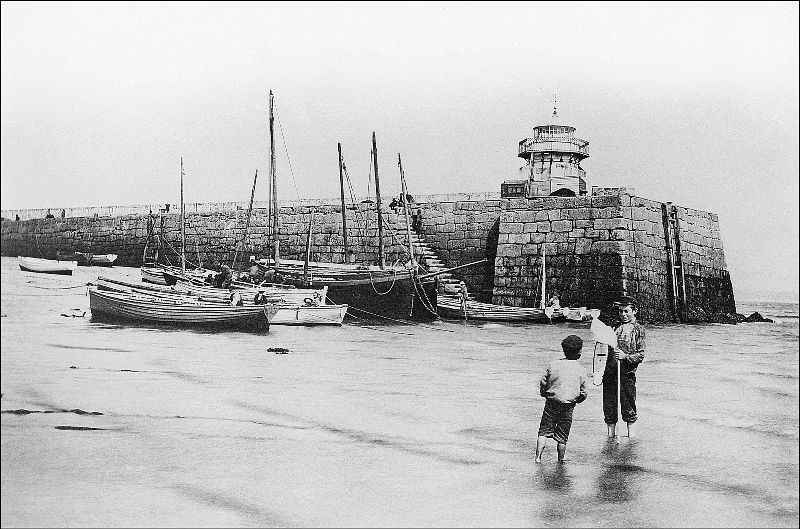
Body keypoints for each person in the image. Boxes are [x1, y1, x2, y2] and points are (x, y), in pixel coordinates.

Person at [535, 334, 588, 463]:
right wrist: (577, 400)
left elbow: (543, 382)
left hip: (552, 402)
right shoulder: (581, 370)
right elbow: (584, 392)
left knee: (543, 432)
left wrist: (544, 393)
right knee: (562, 436)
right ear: (579, 351)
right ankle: (561, 459)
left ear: (564, 349)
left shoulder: (553, 365)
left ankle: (538, 458)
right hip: (568, 405)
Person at [603, 296, 645, 438]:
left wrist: (625, 357)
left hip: (627, 373)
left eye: (626, 311)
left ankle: (631, 439)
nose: (623, 314)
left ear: (635, 311)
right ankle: (610, 439)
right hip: (610, 372)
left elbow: (640, 355)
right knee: (609, 407)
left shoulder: (638, 330)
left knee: (628, 407)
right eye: (621, 311)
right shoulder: (614, 327)